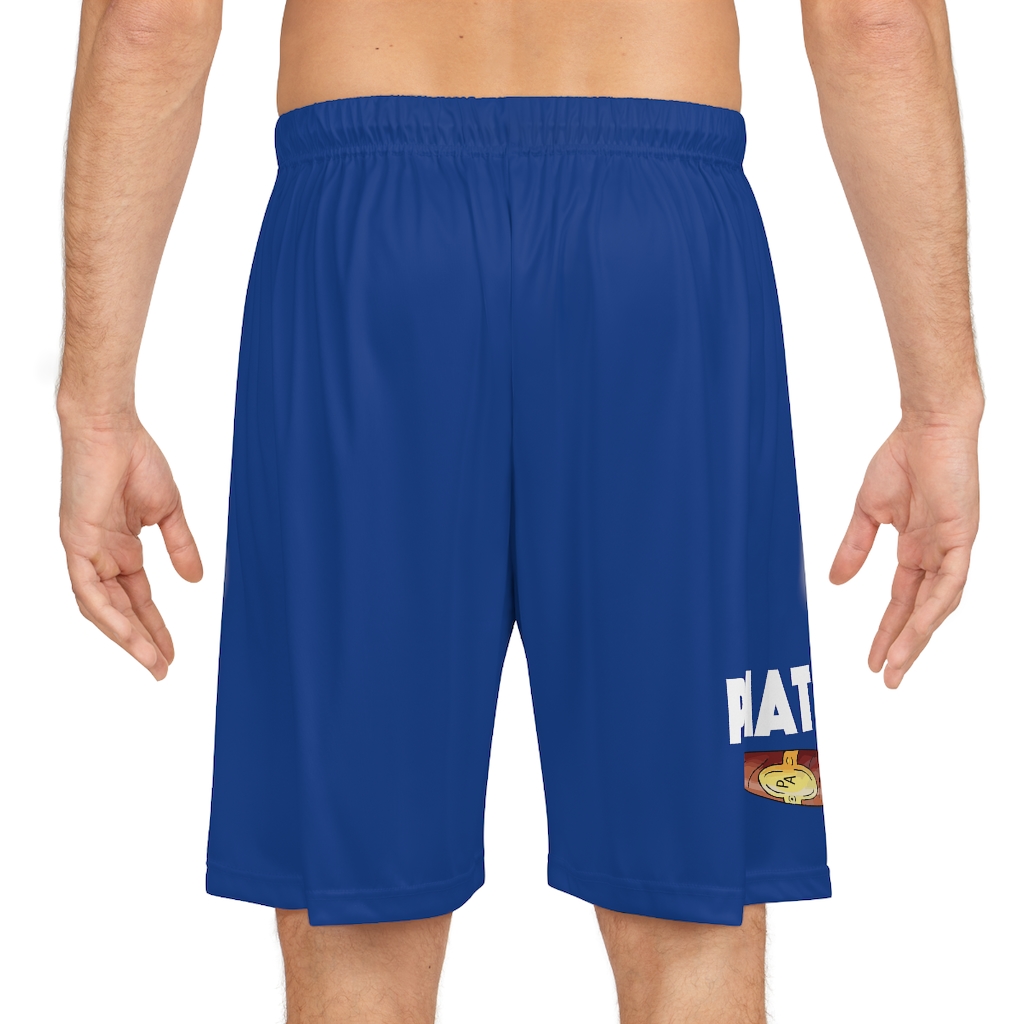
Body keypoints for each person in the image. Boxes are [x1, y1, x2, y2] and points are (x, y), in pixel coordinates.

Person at [57, 1, 982, 1021]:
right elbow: (874, 19)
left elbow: (149, 21)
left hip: (366, 253)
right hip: (657, 256)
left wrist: (96, 410)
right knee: (696, 913)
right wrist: (940, 405)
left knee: (356, 924)